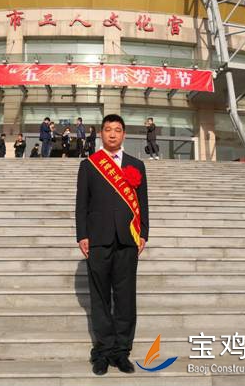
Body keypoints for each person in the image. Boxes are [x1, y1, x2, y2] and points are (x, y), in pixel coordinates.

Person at [76, 114, 149, 376]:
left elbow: (143, 202)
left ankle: (121, 351)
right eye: (108, 129)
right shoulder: (89, 165)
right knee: (100, 298)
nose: (113, 134)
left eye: (117, 130)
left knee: (126, 297)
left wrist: (144, 234)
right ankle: (103, 351)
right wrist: (82, 235)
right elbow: (81, 204)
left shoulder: (136, 165)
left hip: (128, 240)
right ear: (101, 134)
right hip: (98, 240)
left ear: (124, 134)